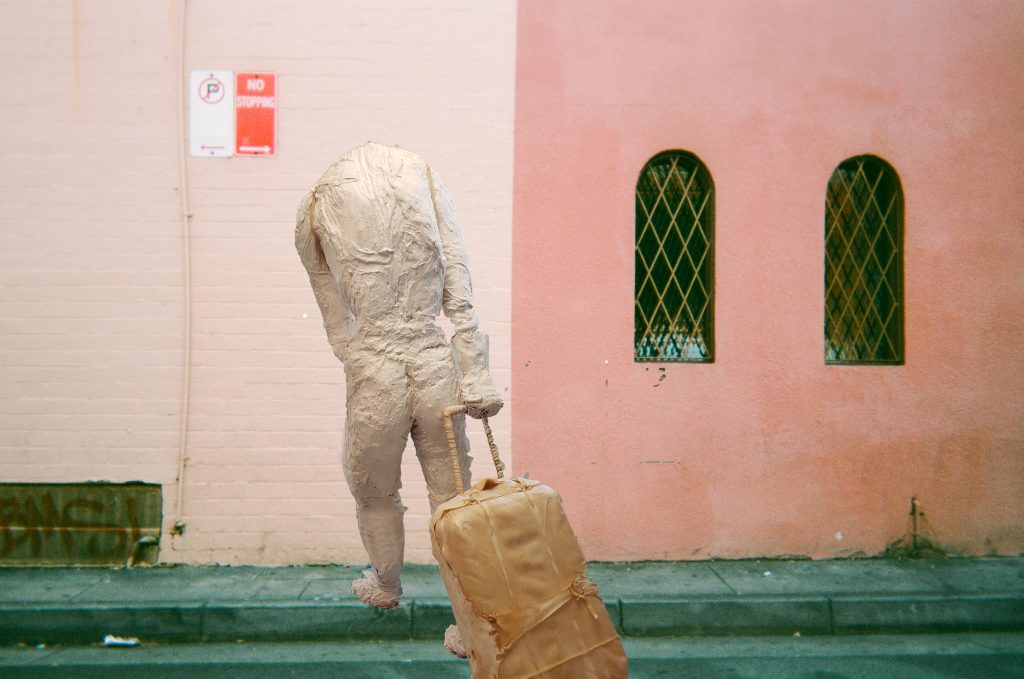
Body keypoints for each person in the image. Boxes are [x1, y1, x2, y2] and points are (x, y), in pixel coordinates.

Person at [294, 142, 502, 655]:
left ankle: (386, 584)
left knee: (373, 488)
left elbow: (329, 301)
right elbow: (457, 274)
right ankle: (470, 626)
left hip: (376, 365)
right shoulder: (425, 178)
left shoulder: (317, 200)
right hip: (432, 359)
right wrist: (476, 371)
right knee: (453, 501)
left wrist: (356, 352)